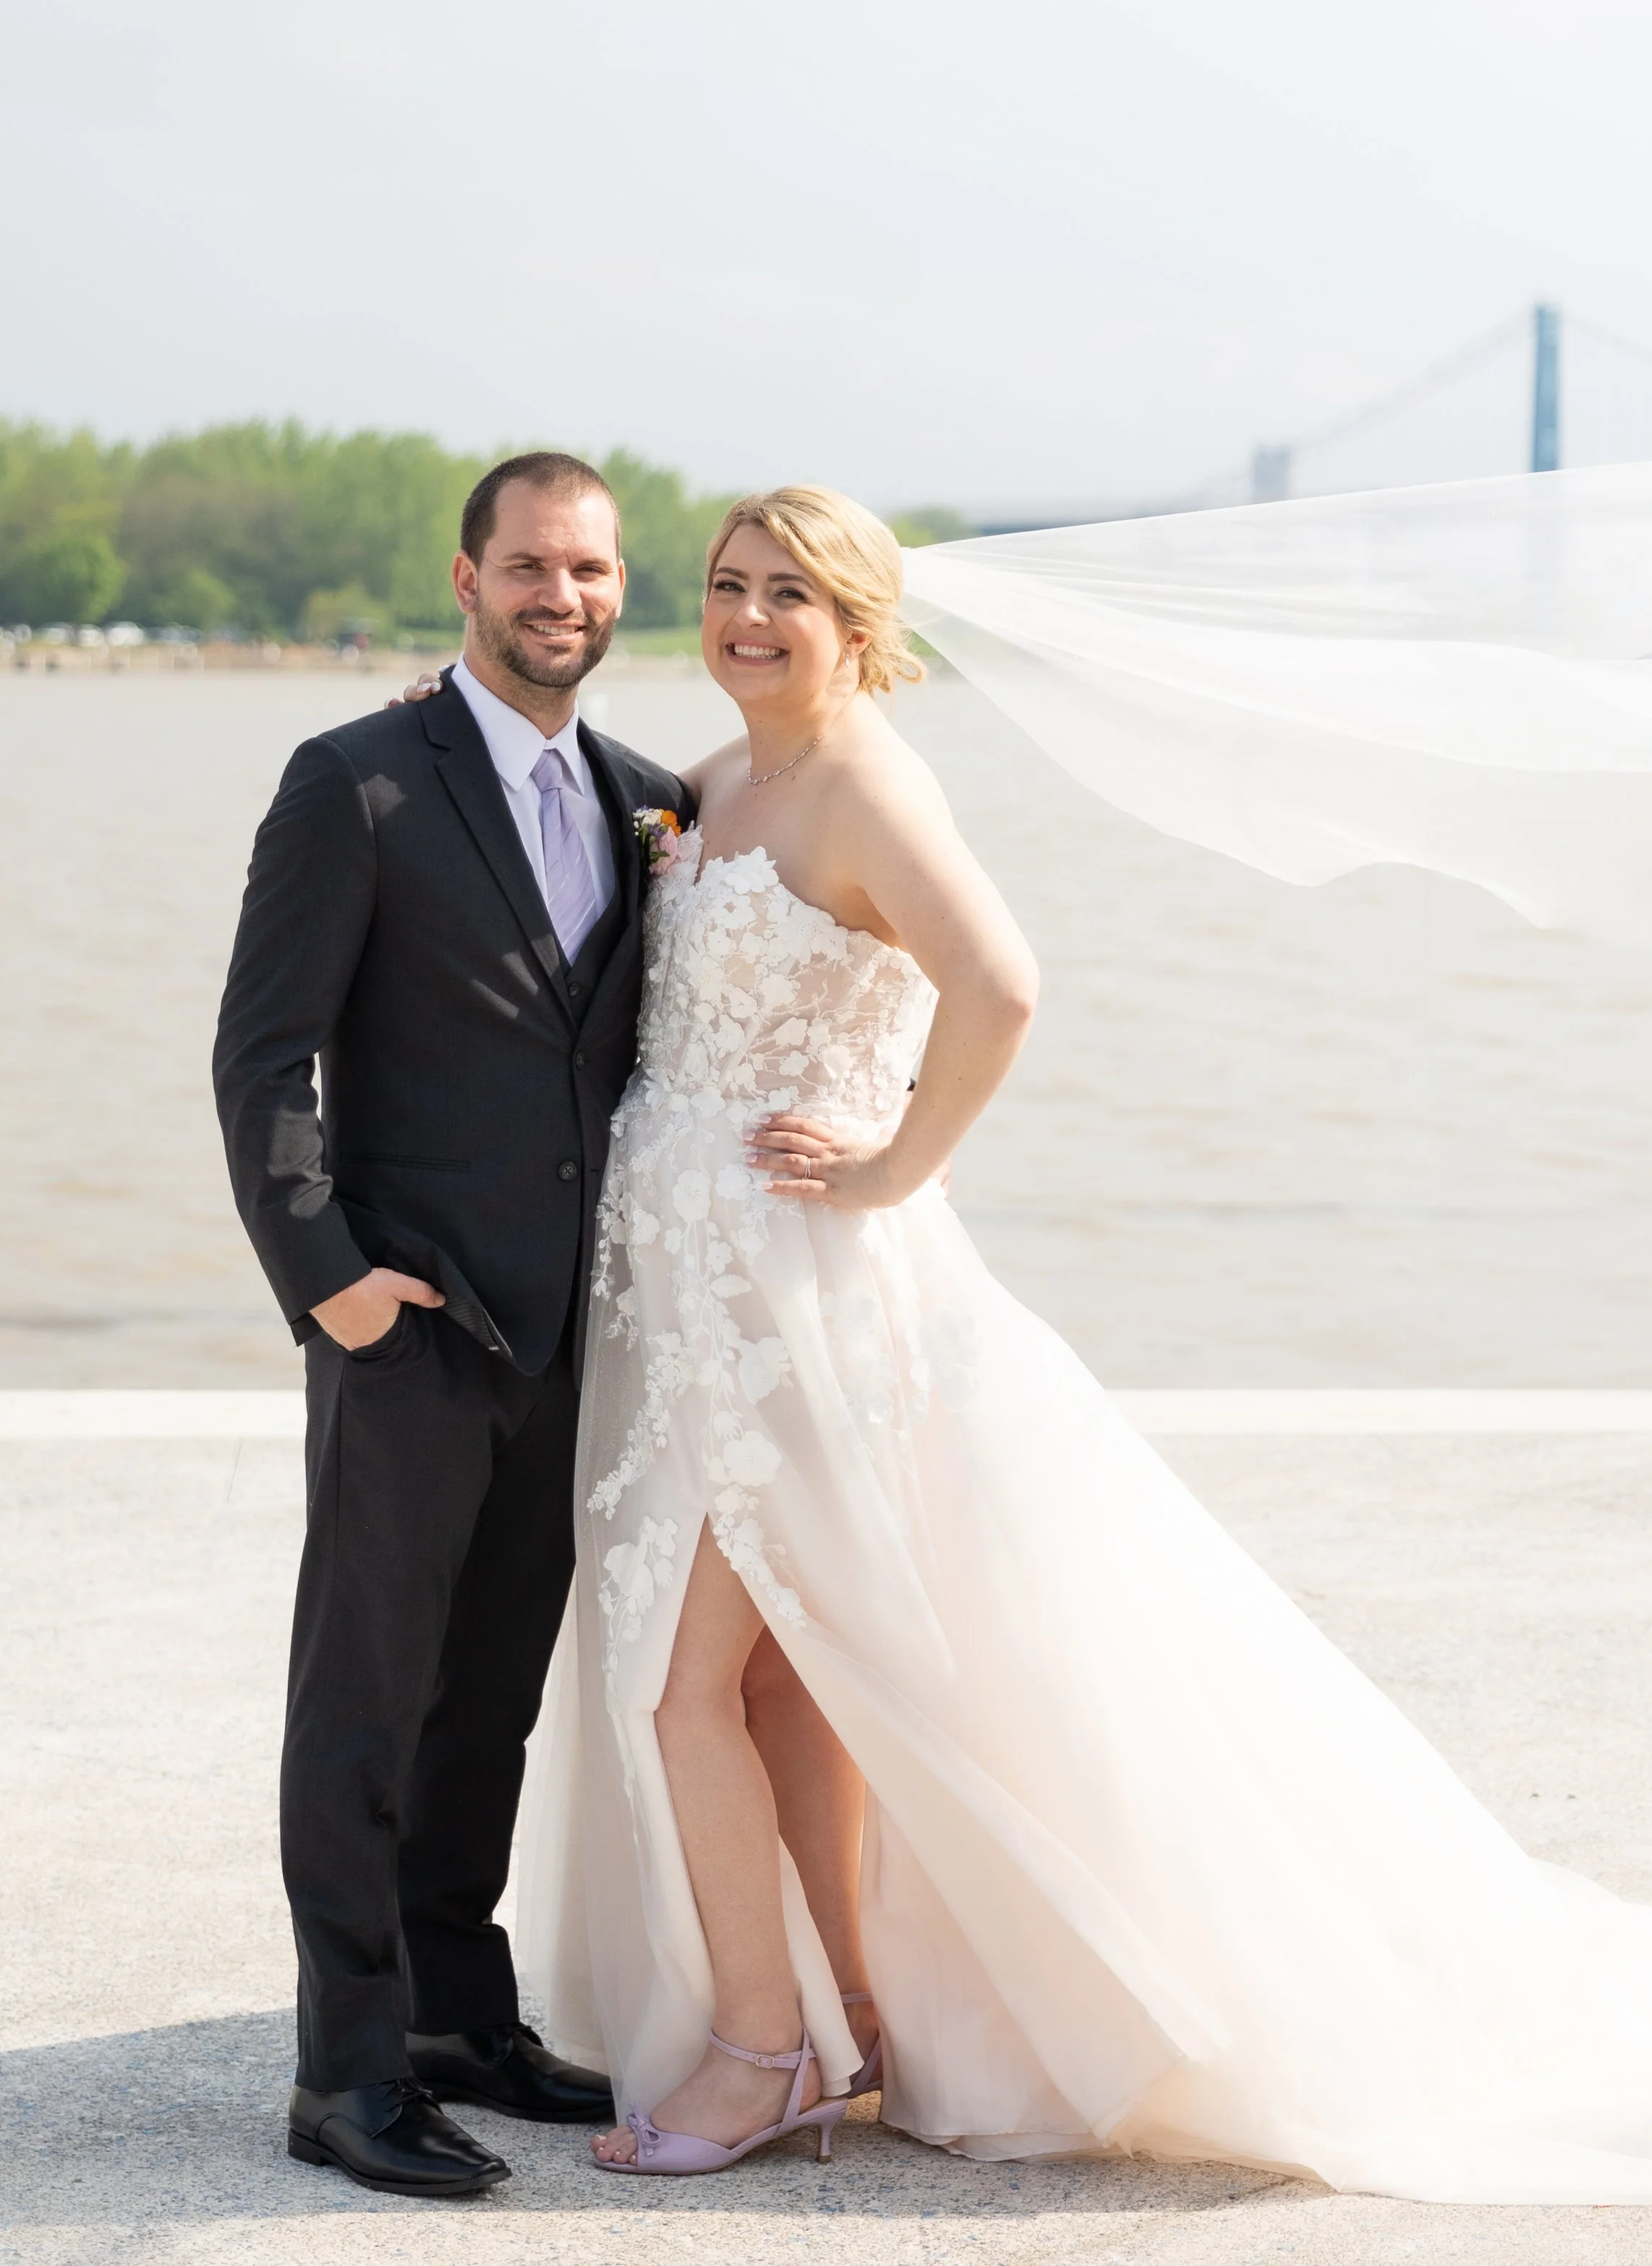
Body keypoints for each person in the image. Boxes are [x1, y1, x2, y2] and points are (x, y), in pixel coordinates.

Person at [480, 481, 1652, 2201]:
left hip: (792, 1306)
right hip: (692, 1299)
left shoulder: (868, 784)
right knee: (783, 1677)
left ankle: (760, 2050)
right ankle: (853, 2011)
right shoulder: (718, 783)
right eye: (726, 586)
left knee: (674, 1690)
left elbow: (1002, 983)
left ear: (858, 626)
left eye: (787, 596)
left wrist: (889, 1163)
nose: (744, 619)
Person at [213, 451, 689, 2201]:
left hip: (568, 1337)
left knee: (484, 1698)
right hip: (403, 1329)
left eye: (590, 569)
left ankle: (450, 2018)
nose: (561, 596)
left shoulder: (653, 803)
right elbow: (261, 1057)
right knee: (362, 1703)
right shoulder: (353, 785)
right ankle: (340, 2074)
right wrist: (326, 1277)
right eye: (530, 568)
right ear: (466, 577)